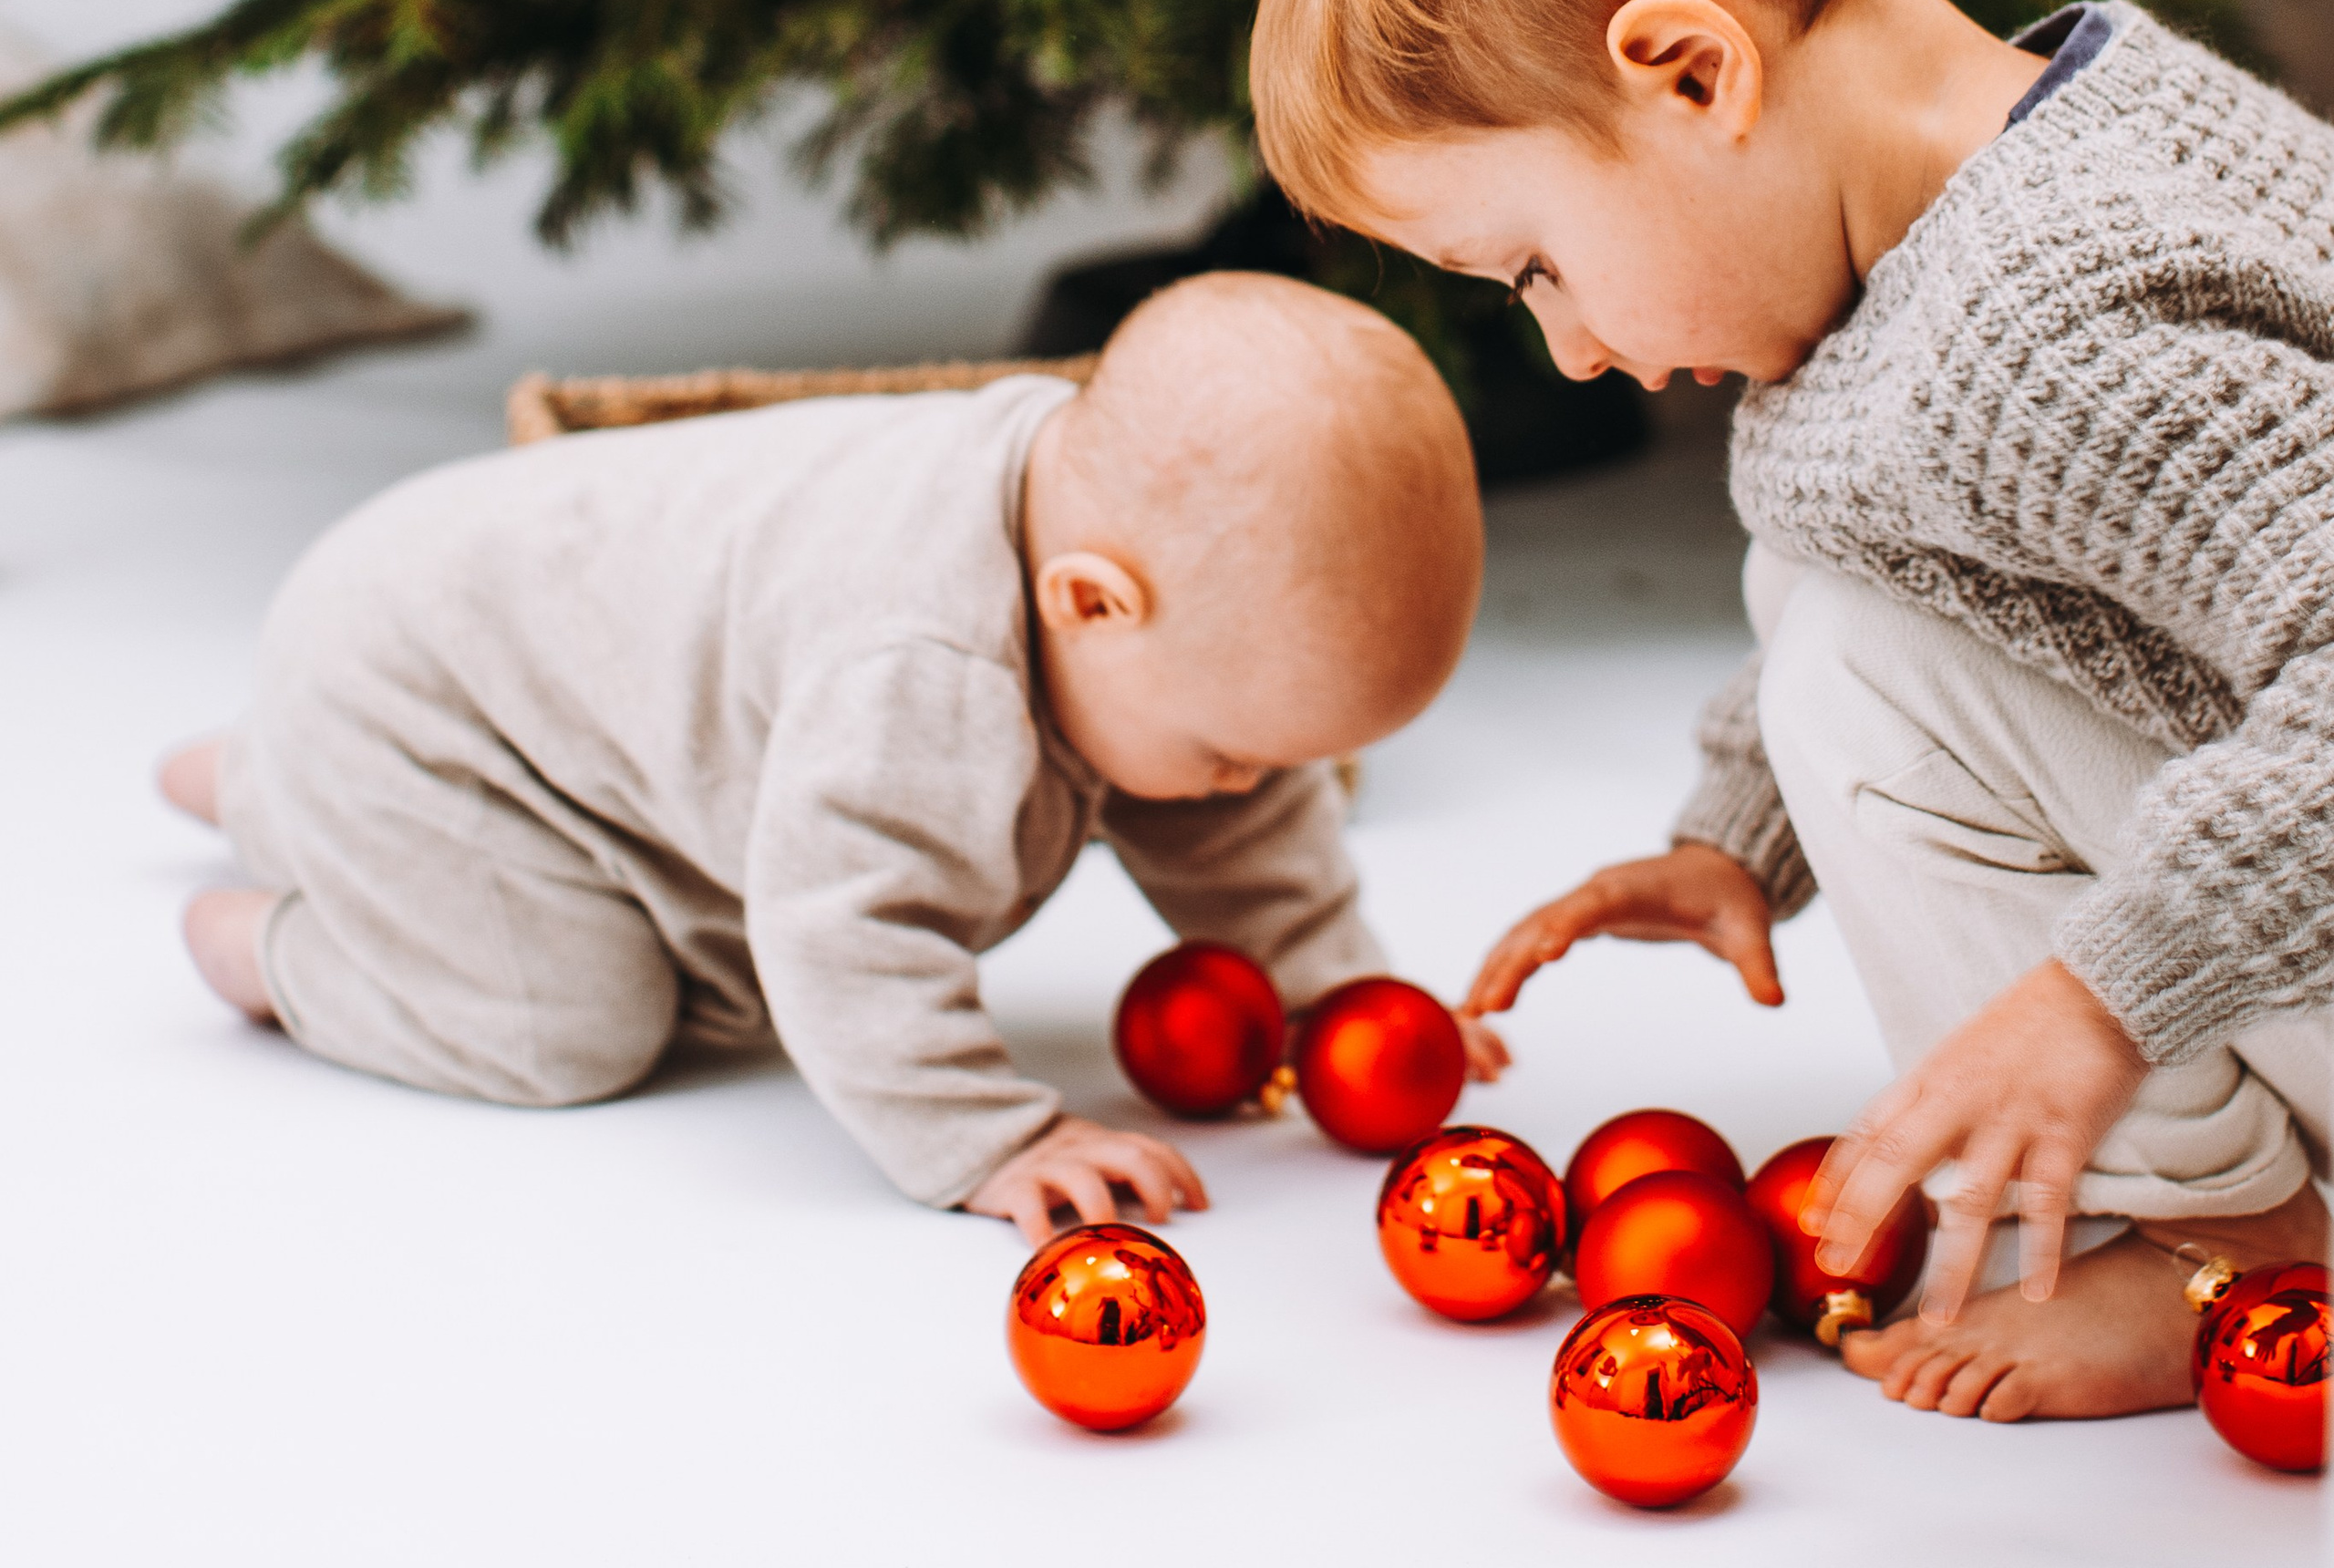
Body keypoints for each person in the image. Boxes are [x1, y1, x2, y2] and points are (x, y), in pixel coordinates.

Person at [1250, 0, 2331, 1425]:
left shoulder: (2053, 334)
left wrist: (2101, 1000)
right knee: (1829, 595)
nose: (1572, 346)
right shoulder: (2040, 159)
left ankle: (2238, 1243)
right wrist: (1742, 838)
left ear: (1687, 72)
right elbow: (1937, 551)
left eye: (1528, 262)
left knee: (1838, 651)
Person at [162, 271, 1494, 1241]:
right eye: (1233, 752)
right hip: (421, 686)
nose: (1246, 789)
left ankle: (280, 776)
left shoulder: (1106, 537)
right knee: (573, 1025)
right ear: (1090, 605)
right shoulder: (916, 671)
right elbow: (840, 929)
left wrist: (1330, 989)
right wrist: (988, 1134)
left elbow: (1235, 829)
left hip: (461, 653)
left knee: (593, 919)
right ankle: (281, 940)